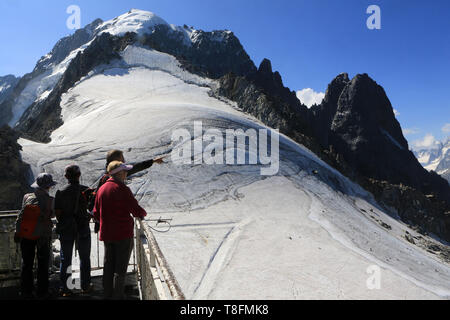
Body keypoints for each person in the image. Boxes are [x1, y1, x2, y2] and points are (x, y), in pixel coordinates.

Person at [93, 161, 147, 299]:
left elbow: (96, 212)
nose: (126, 174)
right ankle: (118, 296)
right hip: (122, 234)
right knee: (120, 269)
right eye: (124, 171)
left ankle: (107, 294)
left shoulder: (101, 189)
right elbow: (135, 209)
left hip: (107, 234)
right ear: (119, 173)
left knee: (108, 266)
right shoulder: (122, 188)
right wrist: (142, 214)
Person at [87, 149, 164, 232]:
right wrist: (152, 161)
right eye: (122, 158)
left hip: (107, 226)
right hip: (115, 227)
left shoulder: (107, 176)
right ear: (116, 160)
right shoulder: (115, 177)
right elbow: (136, 167)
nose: (124, 160)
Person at [14, 173, 57, 299]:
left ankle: (26, 291)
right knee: (43, 264)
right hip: (43, 235)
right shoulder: (51, 200)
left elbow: (21, 213)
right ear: (49, 186)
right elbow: (53, 215)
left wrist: (18, 232)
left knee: (27, 263)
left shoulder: (26, 196)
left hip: (26, 234)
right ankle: (42, 291)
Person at [54, 165, 93, 296]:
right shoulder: (86, 191)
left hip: (66, 229)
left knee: (65, 259)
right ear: (79, 175)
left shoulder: (60, 192)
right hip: (83, 228)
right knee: (85, 258)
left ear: (66, 176)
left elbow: (57, 213)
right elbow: (92, 208)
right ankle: (85, 286)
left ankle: (65, 289)